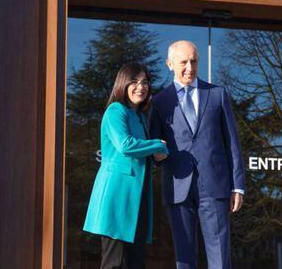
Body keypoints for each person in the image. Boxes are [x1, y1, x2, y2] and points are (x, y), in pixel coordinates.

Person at [150, 40, 245, 269]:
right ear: (169, 64)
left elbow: (232, 142)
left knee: (220, 256)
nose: (190, 67)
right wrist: (156, 155)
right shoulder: (159, 102)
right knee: (184, 256)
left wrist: (238, 186)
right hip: (178, 186)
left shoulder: (217, 94)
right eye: (184, 62)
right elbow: (154, 144)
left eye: (194, 61)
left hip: (214, 186)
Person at [83, 63, 168, 269]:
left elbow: (145, 154)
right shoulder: (116, 110)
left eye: (145, 82)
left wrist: (158, 154)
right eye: (135, 82)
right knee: (115, 263)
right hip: (118, 197)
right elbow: (125, 145)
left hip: (137, 199)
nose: (141, 87)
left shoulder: (139, 117)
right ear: (123, 83)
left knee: (135, 262)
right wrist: (158, 144)